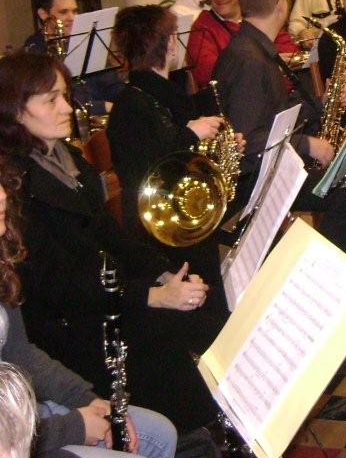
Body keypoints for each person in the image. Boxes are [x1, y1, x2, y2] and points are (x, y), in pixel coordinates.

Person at [0, 52, 224, 435]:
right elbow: (61, 287)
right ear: (16, 111)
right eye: (51, 99)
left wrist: (164, 272)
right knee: (169, 350)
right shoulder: (15, 184)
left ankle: (218, 425)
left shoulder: (63, 156)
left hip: (103, 299)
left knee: (207, 324)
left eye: (64, 95)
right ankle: (197, 435)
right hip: (65, 327)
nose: (67, 108)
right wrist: (152, 297)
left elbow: (112, 235)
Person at [0, 162, 178, 458]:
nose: (3, 230)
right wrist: (74, 426)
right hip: (14, 436)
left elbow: (20, 353)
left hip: (20, 410)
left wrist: (86, 399)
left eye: (4, 214)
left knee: (159, 433)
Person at [213, 0, 346, 247]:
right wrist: (308, 144)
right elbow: (249, 140)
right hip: (257, 180)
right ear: (281, 3)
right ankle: (327, 269)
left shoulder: (254, 49)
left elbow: (276, 114)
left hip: (273, 164)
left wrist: (322, 104)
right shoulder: (249, 61)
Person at [107, 5, 229, 299]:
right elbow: (151, 168)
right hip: (161, 233)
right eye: (175, 35)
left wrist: (220, 145)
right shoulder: (133, 104)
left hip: (179, 218)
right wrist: (191, 133)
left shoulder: (156, 94)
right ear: (170, 42)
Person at [186, 0, 299, 90]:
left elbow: (291, 55)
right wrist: (271, 65)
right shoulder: (202, 26)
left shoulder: (256, 15)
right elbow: (207, 73)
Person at [23, 0, 121, 116]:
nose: (72, 18)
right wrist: (102, 106)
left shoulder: (88, 40)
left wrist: (127, 100)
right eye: (63, 12)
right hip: (73, 117)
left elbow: (111, 85)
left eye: (75, 11)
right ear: (43, 14)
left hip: (107, 114)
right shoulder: (35, 50)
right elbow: (53, 98)